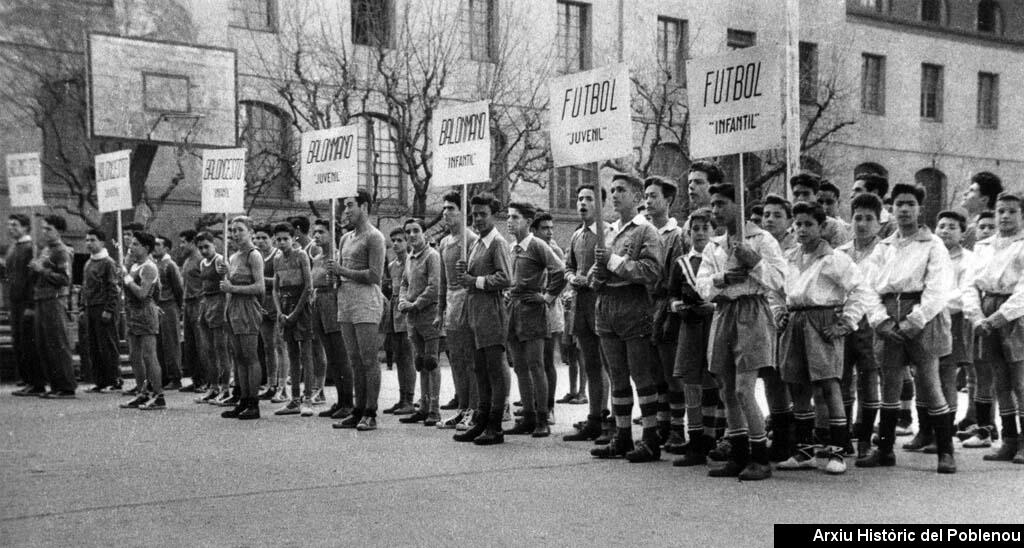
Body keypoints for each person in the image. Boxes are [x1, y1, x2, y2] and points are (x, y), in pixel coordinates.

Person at [857, 183, 956, 474]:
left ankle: (946, 452)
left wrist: (916, 319)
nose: (904, 209)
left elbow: (939, 288)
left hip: (921, 315)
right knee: (890, 384)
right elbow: (867, 287)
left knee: (930, 382)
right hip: (888, 315)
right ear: (892, 208)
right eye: (898, 203)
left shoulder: (932, 244)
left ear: (920, 208)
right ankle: (885, 449)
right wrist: (880, 319)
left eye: (910, 204)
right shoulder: (884, 246)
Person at [696, 183, 786, 480]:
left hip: (752, 311)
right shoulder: (714, 245)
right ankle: (738, 453)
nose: (716, 210)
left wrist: (754, 261)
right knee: (725, 388)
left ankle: (760, 457)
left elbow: (778, 280)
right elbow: (703, 285)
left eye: (722, 203)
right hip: (724, 313)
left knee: (743, 388)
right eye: (713, 204)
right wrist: (721, 279)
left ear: (740, 204)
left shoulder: (762, 240)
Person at [774, 201, 870, 475]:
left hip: (823, 320)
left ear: (821, 227)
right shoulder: (789, 257)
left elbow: (860, 290)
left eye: (808, 224)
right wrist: (778, 312)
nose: (802, 230)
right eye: (798, 224)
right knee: (798, 385)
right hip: (795, 321)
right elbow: (776, 291)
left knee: (829, 384)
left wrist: (846, 322)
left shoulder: (834, 259)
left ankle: (837, 450)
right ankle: (804, 450)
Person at [588, 174, 664, 463]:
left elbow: (651, 272)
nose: (616, 195)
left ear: (637, 196)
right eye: (614, 190)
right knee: (617, 374)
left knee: (640, 375)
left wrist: (613, 261)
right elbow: (600, 270)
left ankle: (650, 439)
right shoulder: (608, 231)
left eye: (622, 190)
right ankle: (621, 436)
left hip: (633, 306)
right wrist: (597, 275)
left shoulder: (646, 231)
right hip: (607, 305)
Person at [963, 191, 1024, 464]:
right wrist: (977, 316)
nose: (1005, 216)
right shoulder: (983, 246)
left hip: (1014, 315)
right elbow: (970, 284)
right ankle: (1009, 440)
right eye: (1001, 211)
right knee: (999, 380)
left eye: (1012, 211)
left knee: (1020, 381)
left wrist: (1000, 317)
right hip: (986, 312)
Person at [910, 211, 974, 453]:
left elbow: (963, 292)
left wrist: (935, 302)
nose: (945, 230)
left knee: (946, 377)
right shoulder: (929, 252)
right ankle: (924, 430)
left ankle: (943, 433)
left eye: (952, 227)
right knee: (922, 375)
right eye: (942, 225)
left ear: (962, 232)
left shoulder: (967, 259)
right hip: (925, 319)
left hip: (953, 321)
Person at [452, 192, 512, 445]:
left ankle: (495, 425)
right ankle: (481, 419)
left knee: (494, 370)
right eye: (474, 214)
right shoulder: (477, 242)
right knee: (480, 369)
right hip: (476, 310)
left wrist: (474, 280)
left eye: (482, 214)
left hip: (491, 310)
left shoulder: (497, 242)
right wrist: (464, 273)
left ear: (493, 215)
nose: (477, 219)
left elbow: (506, 277)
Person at [503, 202, 565, 438]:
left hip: (533, 311)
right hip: (514, 310)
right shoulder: (512, 248)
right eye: (509, 217)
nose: (510, 221)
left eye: (515, 217)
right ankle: (527, 416)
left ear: (528, 222)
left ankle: (542, 418)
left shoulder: (538, 245)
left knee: (536, 365)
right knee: (519, 366)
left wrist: (548, 296)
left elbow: (559, 271)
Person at [328, 190, 387, 431]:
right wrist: (335, 276)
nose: (346, 211)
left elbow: (375, 275)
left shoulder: (375, 237)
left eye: (350, 205)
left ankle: (371, 411)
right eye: (343, 206)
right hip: (346, 300)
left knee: (368, 358)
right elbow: (340, 272)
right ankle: (358, 408)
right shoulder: (345, 238)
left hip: (366, 301)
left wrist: (343, 271)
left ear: (364, 206)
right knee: (353, 359)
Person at [667, 208, 721, 466]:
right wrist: (676, 305)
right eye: (695, 229)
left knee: (711, 379)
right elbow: (672, 293)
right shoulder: (682, 263)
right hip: (690, 326)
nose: (699, 234)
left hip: (712, 323)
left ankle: (711, 437)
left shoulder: (718, 259)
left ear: (714, 232)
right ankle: (695, 437)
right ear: (688, 234)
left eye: (705, 228)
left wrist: (714, 306)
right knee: (691, 380)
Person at [835, 193, 885, 460]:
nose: (862, 224)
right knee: (842, 379)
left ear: (879, 222)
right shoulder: (840, 253)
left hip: (870, 322)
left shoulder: (885, 251)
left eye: (869, 218)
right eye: (858, 218)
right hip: (844, 321)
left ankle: (865, 437)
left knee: (868, 379)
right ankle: (843, 438)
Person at [563, 185, 613, 444]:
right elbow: (568, 265)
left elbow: (606, 266)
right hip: (581, 307)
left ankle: (611, 419)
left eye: (589, 199)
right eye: (580, 198)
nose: (582, 203)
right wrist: (572, 277)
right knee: (590, 364)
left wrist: (589, 278)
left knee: (608, 365)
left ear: (600, 204)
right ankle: (594, 418)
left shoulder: (608, 234)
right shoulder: (577, 236)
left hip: (601, 305)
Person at [644, 176, 688, 451]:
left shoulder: (676, 235)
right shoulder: (644, 231)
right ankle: (660, 424)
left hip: (665, 305)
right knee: (654, 370)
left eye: (654, 196)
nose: (648, 201)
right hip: (644, 306)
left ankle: (677, 428)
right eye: (646, 196)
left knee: (671, 371)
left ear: (668, 200)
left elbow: (677, 273)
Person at [435, 191, 480, 431]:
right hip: (451, 303)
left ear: (463, 212)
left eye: (451, 208)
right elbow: (443, 280)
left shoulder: (471, 239)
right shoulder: (444, 242)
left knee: (470, 359)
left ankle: (474, 408)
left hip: (467, 301)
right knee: (456, 360)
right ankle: (462, 407)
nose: (446, 212)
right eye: (445, 208)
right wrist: (440, 309)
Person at [216, 216, 265, 420]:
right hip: (233, 308)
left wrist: (232, 287)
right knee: (238, 358)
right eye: (233, 230)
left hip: (247, 307)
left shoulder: (253, 256)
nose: (235, 234)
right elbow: (228, 283)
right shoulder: (234, 256)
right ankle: (243, 399)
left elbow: (260, 287)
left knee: (249, 356)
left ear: (250, 232)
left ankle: (253, 402)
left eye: (240, 230)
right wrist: (225, 273)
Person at [397, 218, 444, 427]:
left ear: (424, 233)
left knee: (432, 361)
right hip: (412, 318)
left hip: (428, 315)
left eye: (416, 230)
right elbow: (404, 282)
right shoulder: (409, 257)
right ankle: (423, 407)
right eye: (409, 232)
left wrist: (415, 304)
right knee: (420, 362)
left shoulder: (432, 256)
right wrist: (402, 301)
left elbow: (435, 287)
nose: (412, 235)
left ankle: (435, 409)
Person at [310, 219, 354, 420]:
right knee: (330, 354)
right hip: (318, 302)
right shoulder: (317, 257)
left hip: (333, 301)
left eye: (321, 231)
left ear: (332, 233)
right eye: (315, 231)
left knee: (340, 354)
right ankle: (339, 399)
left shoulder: (338, 256)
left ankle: (348, 401)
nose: (317, 235)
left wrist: (335, 277)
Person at [30, 214, 76, 398]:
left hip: (54, 300)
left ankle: (66, 386)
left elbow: (65, 279)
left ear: (59, 231)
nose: (44, 232)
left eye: (48, 229)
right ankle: (55, 384)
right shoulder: (45, 250)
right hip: (42, 298)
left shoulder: (61, 251)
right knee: (44, 344)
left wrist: (43, 270)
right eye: (43, 228)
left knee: (57, 343)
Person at [118, 231, 166, 410]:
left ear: (146, 248)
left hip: (144, 312)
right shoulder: (133, 265)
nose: (131, 246)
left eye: (136, 244)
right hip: (132, 313)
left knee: (148, 355)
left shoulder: (149, 267)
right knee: (134, 356)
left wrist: (128, 280)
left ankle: (159, 395)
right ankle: (142, 392)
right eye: (131, 244)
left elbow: (142, 293)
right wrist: (122, 278)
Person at [272, 223, 315, 418]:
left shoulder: (301, 256)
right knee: (292, 354)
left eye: (285, 239)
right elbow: (275, 288)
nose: (281, 242)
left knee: (306, 353)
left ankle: (307, 399)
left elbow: (308, 286)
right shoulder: (277, 259)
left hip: (301, 307)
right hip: (285, 307)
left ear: (293, 238)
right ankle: (294, 399)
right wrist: (281, 312)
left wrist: (295, 313)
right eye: (278, 239)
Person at [80, 229, 122, 393]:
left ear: (102, 242)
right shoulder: (88, 263)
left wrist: (109, 309)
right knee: (94, 346)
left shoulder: (108, 262)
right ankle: (100, 380)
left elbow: (113, 288)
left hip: (103, 307)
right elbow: (85, 287)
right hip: (91, 307)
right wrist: (83, 307)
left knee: (107, 345)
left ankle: (114, 379)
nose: (89, 243)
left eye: (92, 240)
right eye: (87, 240)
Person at [193, 232, 231, 405]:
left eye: (206, 246)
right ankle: (213, 385)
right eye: (200, 248)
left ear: (214, 244)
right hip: (206, 301)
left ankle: (225, 387)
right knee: (208, 348)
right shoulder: (202, 262)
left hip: (219, 301)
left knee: (220, 347)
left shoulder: (220, 260)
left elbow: (229, 280)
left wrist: (225, 310)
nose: (203, 250)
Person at [381, 227, 416, 416]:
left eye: (400, 240)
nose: (395, 244)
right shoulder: (392, 265)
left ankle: (409, 399)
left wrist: (409, 259)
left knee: (407, 355)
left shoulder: (412, 262)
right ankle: (402, 398)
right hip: (394, 308)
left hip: (407, 307)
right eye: (393, 240)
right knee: (398, 356)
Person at [253, 223, 288, 402]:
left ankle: (283, 386)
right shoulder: (256, 256)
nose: (260, 241)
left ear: (271, 239)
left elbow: (280, 279)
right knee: (267, 346)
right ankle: (271, 383)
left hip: (277, 301)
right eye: (257, 238)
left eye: (264, 238)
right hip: (261, 303)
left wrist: (260, 279)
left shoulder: (278, 255)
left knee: (280, 345)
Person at [6, 214, 38, 395]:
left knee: (28, 342)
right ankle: (26, 379)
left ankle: (34, 381)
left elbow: (32, 279)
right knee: (18, 341)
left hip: (25, 302)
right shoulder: (13, 248)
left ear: (26, 227)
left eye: (15, 225)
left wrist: (31, 304)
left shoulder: (29, 248)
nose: (11, 228)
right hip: (14, 301)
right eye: (9, 225)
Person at [153, 236, 184, 390]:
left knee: (171, 342)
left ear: (166, 248)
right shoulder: (154, 263)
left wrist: (179, 307)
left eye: (158, 245)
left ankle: (175, 376)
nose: (155, 247)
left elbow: (178, 288)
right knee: (159, 343)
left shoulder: (170, 265)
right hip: (157, 306)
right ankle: (164, 376)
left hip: (169, 305)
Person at [178, 230, 206, 392]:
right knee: (190, 344)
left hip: (198, 302)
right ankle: (196, 379)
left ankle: (205, 380)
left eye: (183, 242)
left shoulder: (200, 260)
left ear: (192, 243)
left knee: (201, 343)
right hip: (188, 303)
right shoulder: (188, 260)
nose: (181, 245)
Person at [790, 173, 851, 248]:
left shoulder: (834, 227)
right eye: (796, 194)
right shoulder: (791, 227)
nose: (800, 198)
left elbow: (840, 256)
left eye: (806, 194)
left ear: (816, 196)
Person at [960, 172, 1002, 250]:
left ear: (984, 199)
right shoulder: (971, 225)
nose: (965, 193)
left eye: (971, 190)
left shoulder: (985, 227)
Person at [851, 172, 894, 239]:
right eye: (852, 191)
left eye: (858, 190)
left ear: (874, 193)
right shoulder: (856, 220)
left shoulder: (891, 224)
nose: (852, 195)